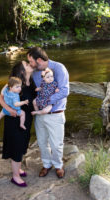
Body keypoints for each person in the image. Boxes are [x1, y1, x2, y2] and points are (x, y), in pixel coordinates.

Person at [27, 47, 69, 178]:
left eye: (31, 61)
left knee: (56, 144)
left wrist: (48, 102)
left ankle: (58, 165)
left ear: (39, 60)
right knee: (42, 142)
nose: (30, 64)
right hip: (40, 115)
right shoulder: (34, 73)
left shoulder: (59, 68)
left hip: (55, 114)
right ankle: (46, 164)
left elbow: (64, 91)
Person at [0, 61, 36, 187]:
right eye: (27, 65)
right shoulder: (13, 84)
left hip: (26, 119)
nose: (30, 65)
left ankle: (18, 168)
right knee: (17, 146)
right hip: (14, 121)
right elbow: (0, 98)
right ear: (21, 71)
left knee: (23, 144)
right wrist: (9, 110)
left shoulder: (31, 81)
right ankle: (15, 176)